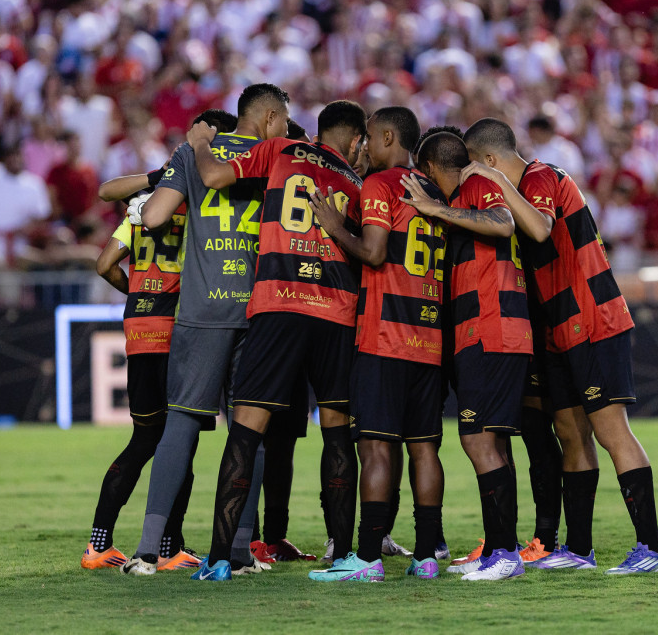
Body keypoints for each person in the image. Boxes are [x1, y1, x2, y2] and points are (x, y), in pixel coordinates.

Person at [461, 117, 658, 575]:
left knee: (612, 432)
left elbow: (540, 229)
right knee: (571, 432)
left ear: (491, 160)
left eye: (476, 168)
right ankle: (579, 549)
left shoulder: (540, 176)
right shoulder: (522, 188)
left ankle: (652, 549)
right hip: (559, 329)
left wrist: (496, 180)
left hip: (592, 319)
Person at [185, 98, 367, 582]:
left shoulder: (281, 149)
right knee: (337, 434)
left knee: (245, 432)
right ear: (355, 142)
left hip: (278, 303)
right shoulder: (354, 182)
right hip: (335, 312)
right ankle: (343, 556)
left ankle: (219, 560)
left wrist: (201, 144)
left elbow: (214, 177)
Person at [116, 87, 290, 576]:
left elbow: (153, 216)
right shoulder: (279, 157)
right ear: (269, 117)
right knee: (250, 431)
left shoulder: (194, 152)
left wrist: (191, 154)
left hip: (201, 308)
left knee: (181, 424)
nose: (284, 128)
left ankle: (147, 552)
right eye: (284, 120)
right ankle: (240, 552)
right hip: (259, 309)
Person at [304, 106, 447, 582]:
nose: (364, 145)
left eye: (369, 136)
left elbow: (374, 251)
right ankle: (426, 556)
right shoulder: (433, 191)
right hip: (430, 337)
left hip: (386, 337)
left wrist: (334, 226)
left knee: (377, 449)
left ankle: (366, 558)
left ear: (388, 136)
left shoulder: (381, 185)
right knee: (424, 449)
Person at [401, 130, 530, 582]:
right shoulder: (464, 198)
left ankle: (506, 555)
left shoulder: (475, 184)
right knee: (490, 443)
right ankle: (498, 548)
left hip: (492, 329)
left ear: (430, 169)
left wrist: (435, 209)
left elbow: (503, 222)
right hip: (485, 332)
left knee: (478, 442)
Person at [80, 157, 196, 572]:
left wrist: (138, 296)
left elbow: (103, 265)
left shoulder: (141, 209)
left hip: (139, 328)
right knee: (180, 443)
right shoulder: (194, 208)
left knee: (144, 440)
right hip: (175, 330)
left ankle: (99, 543)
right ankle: (169, 548)